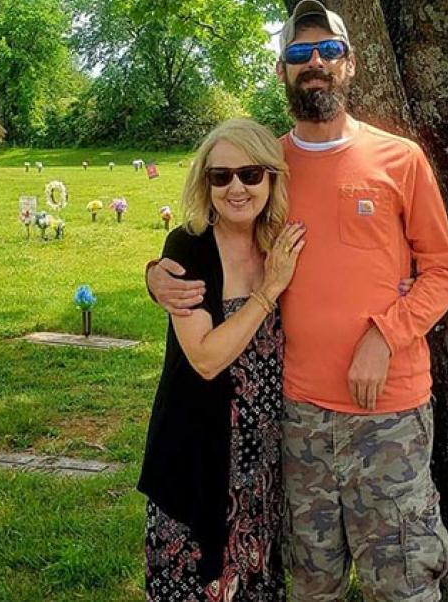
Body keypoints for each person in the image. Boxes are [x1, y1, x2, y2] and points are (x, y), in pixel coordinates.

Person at [148, 0, 448, 602]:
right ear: (282, 70)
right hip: (297, 418)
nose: (314, 62)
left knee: (401, 584)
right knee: (311, 583)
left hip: (388, 414)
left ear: (349, 64)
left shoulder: (401, 159)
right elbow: (210, 235)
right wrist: (154, 275)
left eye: (328, 50)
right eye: (300, 52)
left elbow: (444, 272)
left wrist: (385, 336)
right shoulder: (264, 165)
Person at [137, 118, 306, 602]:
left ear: (271, 178)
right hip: (198, 461)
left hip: (263, 464)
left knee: (256, 585)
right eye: (220, 176)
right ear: (205, 183)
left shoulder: (278, 244)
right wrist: (268, 292)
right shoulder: (187, 247)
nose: (236, 187)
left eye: (250, 174)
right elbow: (206, 359)